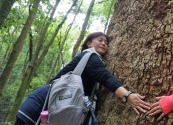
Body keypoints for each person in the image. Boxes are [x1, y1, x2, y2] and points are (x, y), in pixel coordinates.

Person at [16, 32, 151, 125]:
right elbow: (105, 76)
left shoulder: (86, 59)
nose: (104, 43)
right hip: (40, 105)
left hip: (51, 105)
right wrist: (127, 95)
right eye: (100, 40)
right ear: (88, 43)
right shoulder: (89, 56)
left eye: (106, 42)